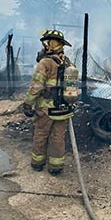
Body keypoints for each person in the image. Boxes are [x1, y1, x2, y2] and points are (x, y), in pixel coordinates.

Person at [21, 29, 75, 175]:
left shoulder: (45, 62)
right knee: (58, 137)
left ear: (50, 45)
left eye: (47, 43)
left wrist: (27, 104)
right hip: (64, 108)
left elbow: (36, 86)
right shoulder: (69, 63)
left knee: (41, 134)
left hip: (46, 109)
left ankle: (38, 163)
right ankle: (56, 167)